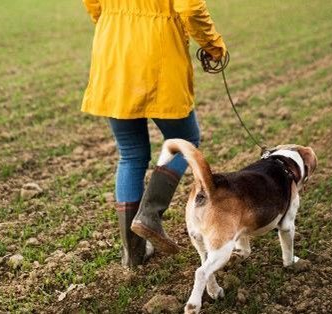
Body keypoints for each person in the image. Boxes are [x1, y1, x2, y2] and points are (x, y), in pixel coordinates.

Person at [81, 0, 228, 267]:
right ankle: (149, 214)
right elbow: (191, 8)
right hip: (158, 53)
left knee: (131, 155)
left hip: (113, 52)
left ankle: (133, 253)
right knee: (187, 141)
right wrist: (213, 45)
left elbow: (93, 5)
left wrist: (117, 24)